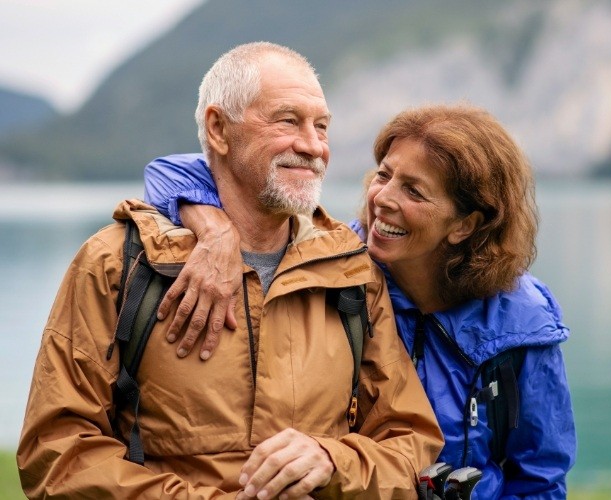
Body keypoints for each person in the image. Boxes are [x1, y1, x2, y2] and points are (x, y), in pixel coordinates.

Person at [17, 42, 444, 499]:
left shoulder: (352, 269)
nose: (314, 146)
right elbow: (57, 455)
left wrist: (332, 461)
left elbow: (410, 442)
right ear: (218, 129)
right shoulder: (116, 263)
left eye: (321, 126)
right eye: (287, 120)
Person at [142, 103, 577, 498]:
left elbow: (540, 477)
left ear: (465, 224)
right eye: (384, 175)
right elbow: (167, 171)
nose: (382, 199)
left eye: (414, 191)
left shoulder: (521, 323)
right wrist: (214, 229)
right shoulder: (338, 266)